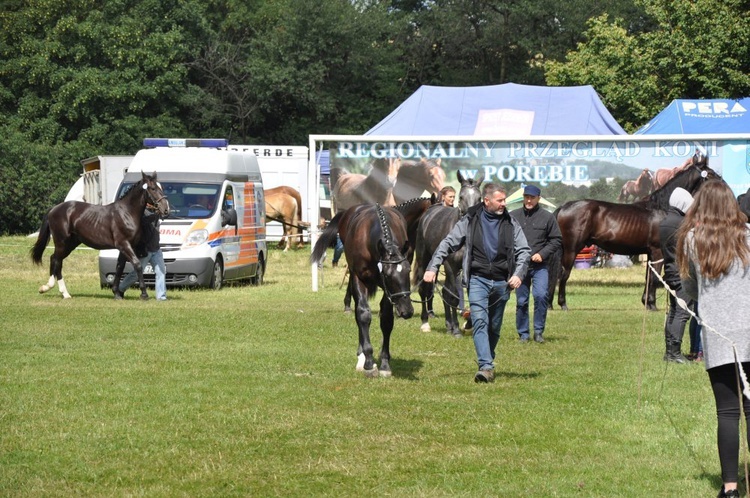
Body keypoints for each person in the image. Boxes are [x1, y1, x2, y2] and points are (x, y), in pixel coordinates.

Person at [676, 179, 750, 498]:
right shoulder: (748, 236)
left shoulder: (692, 239)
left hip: (718, 335)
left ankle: (731, 488)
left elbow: (690, 288)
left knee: (728, 412)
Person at [423, 183, 530, 383]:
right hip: (478, 279)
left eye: (504, 200)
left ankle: (487, 356)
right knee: (480, 321)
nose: (504, 204)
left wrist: (519, 274)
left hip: (502, 282)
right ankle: (486, 366)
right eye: (500, 200)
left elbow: (524, 251)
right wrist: (432, 267)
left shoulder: (511, 222)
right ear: (487, 201)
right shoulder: (470, 221)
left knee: (494, 326)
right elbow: (448, 243)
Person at [510, 185, 562, 343]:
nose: (528, 200)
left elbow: (556, 240)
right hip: (520, 267)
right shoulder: (513, 216)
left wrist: (542, 254)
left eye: (532, 197)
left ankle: (538, 332)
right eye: (526, 197)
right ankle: (523, 334)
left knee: (540, 296)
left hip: (540, 266)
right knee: (521, 301)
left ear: (539, 198)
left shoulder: (547, 217)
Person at [658, 187, 694, 363]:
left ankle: (669, 351)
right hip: (681, 272)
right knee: (682, 313)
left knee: (673, 312)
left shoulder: (665, 221)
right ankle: (675, 353)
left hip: (670, 271)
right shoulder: (681, 224)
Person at [115, 208, 167, 301]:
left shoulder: (156, 211)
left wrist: (164, 212)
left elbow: (165, 214)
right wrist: (155, 215)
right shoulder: (142, 211)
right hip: (145, 250)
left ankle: (161, 297)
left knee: (161, 272)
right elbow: (143, 221)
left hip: (156, 249)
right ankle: (120, 288)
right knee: (136, 274)